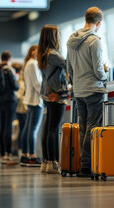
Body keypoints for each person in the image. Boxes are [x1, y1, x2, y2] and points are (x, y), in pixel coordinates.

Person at [66, 7, 107, 177]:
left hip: (79, 90)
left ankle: (83, 163)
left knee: (82, 126)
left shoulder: (71, 40)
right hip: (93, 89)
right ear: (98, 23)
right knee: (92, 127)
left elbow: (68, 68)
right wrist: (105, 75)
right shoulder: (94, 41)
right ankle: (87, 164)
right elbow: (98, 69)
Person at [38, 25, 68, 174]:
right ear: (53, 37)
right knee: (53, 129)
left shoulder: (43, 53)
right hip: (56, 93)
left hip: (46, 93)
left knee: (48, 127)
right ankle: (53, 162)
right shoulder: (54, 54)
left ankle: (46, 161)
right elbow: (69, 65)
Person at [20, 45, 44, 167]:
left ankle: (25, 154)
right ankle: (32, 156)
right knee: (32, 129)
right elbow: (37, 83)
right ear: (32, 52)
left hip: (29, 99)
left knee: (28, 128)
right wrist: (46, 92)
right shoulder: (33, 63)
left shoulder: (28, 64)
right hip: (35, 100)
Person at [0, 51, 19, 164]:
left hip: (0, 102)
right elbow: (15, 86)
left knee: (2, 126)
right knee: (8, 127)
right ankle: (8, 154)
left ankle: (1, 153)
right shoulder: (9, 70)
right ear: (9, 58)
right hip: (9, 101)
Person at [13, 64, 27, 156]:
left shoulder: (18, 81)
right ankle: (22, 149)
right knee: (23, 129)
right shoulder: (21, 83)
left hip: (19, 108)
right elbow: (18, 95)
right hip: (23, 108)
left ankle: (21, 149)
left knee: (21, 129)